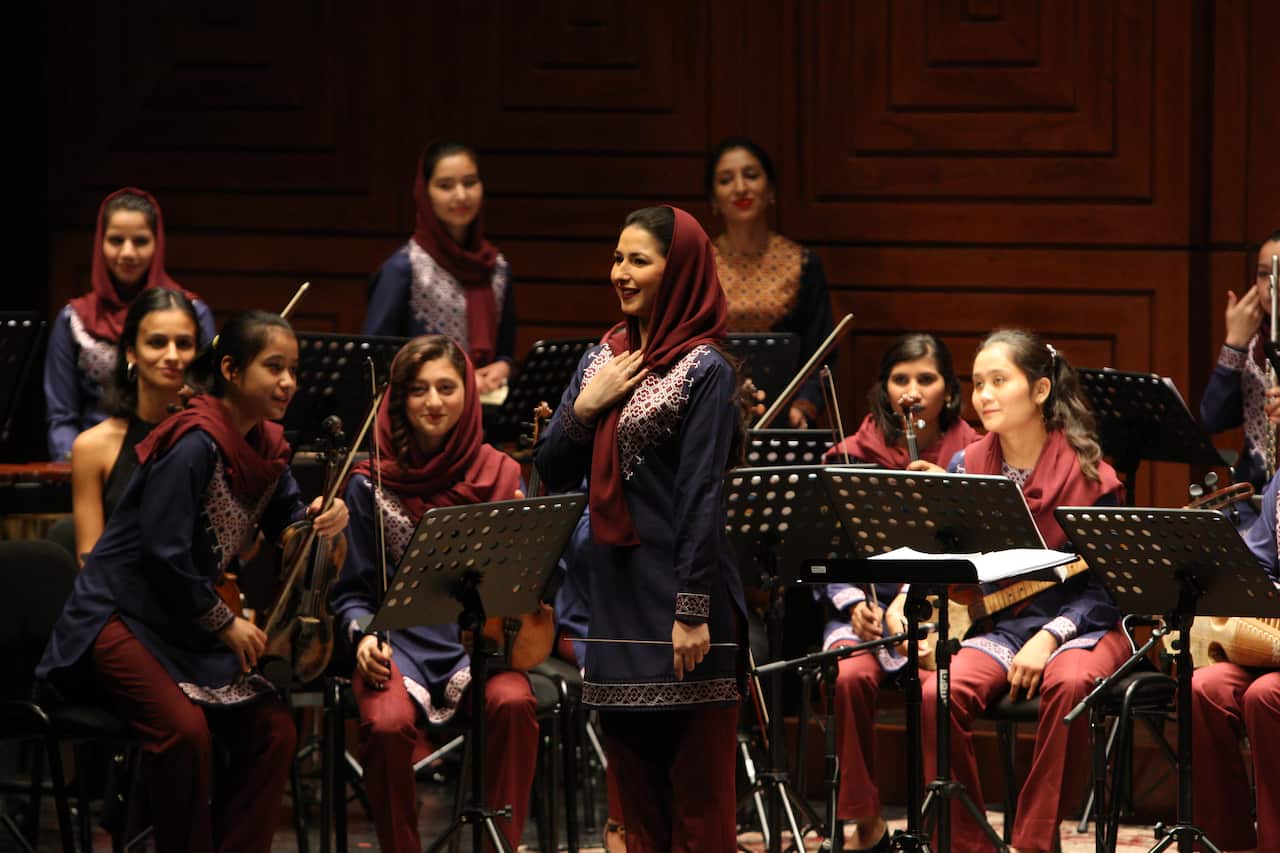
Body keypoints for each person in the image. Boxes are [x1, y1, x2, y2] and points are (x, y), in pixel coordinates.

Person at [36, 310, 348, 853]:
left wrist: (322, 520)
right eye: (274, 367)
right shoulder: (191, 442)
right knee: (185, 735)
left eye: (294, 369)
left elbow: (289, 524)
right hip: (119, 617)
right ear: (230, 368)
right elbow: (162, 556)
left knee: (273, 732)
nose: (288, 382)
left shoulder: (267, 445)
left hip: (183, 622)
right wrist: (227, 624)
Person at [534, 205, 748, 851]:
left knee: (700, 809)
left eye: (638, 260)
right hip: (616, 596)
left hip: (684, 601)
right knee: (636, 806)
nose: (620, 273)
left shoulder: (705, 368)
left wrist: (691, 608)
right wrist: (585, 406)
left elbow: (701, 495)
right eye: (617, 258)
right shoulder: (605, 354)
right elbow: (551, 463)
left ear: (677, 268)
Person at [913, 329, 1127, 853]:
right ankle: (970, 845)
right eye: (978, 383)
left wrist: (1051, 636)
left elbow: (1111, 590)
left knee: (1072, 684)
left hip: (1086, 624)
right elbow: (963, 575)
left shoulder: (1093, 477)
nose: (983, 395)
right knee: (936, 693)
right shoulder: (966, 466)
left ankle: (1034, 843)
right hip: (1003, 626)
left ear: (1039, 391)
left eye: (999, 381)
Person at [330, 334, 538, 852]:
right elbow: (350, 592)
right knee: (385, 723)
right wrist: (360, 636)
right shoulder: (366, 479)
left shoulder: (500, 472)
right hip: (392, 645)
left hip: (477, 647)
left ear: (469, 394)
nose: (433, 402)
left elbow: (527, 586)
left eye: (447, 388)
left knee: (514, 702)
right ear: (399, 397)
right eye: (418, 390)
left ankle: (500, 846)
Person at [820, 332, 979, 851]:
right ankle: (862, 820)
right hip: (861, 612)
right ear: (884, 387)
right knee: (847, 674)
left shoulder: (974, 455)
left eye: (926, 379)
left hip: (942, 613)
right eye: (900, 379)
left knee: (942, 688)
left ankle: (943, 829)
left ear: (949, 392)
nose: (912, 391)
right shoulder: (849, 454)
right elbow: (827, 548)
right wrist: (856, 604)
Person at [44, 188, 216, 460]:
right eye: (115, 240)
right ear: (100, 243)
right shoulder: (72, 318)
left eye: (140, 241)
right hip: (94, 455)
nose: (127, 252)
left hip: (176, 451)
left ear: (157, 243)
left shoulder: (191, 312)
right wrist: (75, 464)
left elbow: (209, 396)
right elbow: (62, 415)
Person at [362, 142, 516, 395]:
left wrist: (503, 366)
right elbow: (372, 360)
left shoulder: (497, 268)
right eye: (445, 186)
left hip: (485, 415)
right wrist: (458, 380)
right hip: (423, 418)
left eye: (469, 182)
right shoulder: (404, 269)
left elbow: (505, 351)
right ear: (425, 193)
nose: (461, 196)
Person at [706, 137, 835, 427]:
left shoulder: (803, 263)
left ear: (771, 190)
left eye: (751, 176)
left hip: (785, 414)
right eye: (726, 180)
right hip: (714, 410)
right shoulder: (699, 265)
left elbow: (822, 349)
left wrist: (805, 405)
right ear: (714, 198)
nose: (740, 188)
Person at [69, 288, 203, 564]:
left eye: (184, 343)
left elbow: (244, 550)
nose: (172, 355)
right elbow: (90, 563)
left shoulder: (208, 436)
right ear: (131, 351)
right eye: (157, 343)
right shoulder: (92, 446)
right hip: (120, 600)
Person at [1190, 483, 1280, 851]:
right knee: (1204, 688)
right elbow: (1257, 563)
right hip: (1271, 639)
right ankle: (1225, 842)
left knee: (1265, 696)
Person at [1200, 229, 1280, 501]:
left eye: (1279, 274)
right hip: (1254, 494)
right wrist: (1234, 343)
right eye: (1262, 273)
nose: (1271, 285)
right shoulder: (1252, 339)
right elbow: (1213, 418)